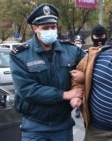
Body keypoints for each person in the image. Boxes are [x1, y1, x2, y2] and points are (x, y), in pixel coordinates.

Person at [9, 3, 85, 141]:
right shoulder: (20, 54)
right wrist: (64, 94)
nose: (50, 30)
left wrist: (83, 77)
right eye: (45, 28)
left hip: (63, 125)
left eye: (53, 27)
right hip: (34, 126)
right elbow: (26, 90)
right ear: (35, 28)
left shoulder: (72, 50)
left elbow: (92, 67)